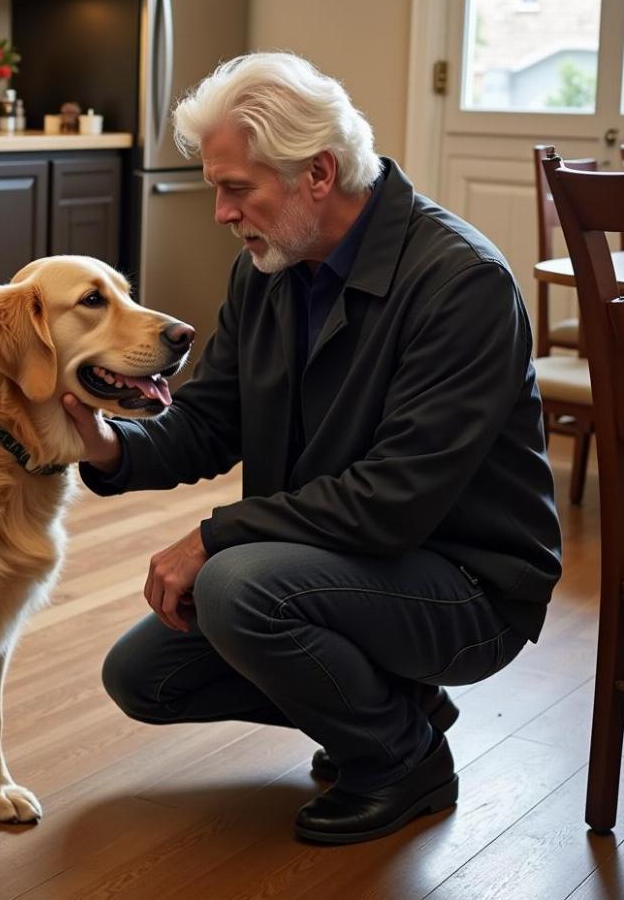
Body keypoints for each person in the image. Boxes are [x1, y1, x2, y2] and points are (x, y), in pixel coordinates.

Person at [62, 52, 562, 844]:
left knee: (236, 585)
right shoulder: (267, 270)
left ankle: (402, 761)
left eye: (237, 188)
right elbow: (209, 421)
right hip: (343, 563)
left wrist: (214, 536)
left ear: (319, 173)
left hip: (468, 585)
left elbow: (392, 504)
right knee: (144, 678)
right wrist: (109, 446)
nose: (222, 212)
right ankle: (399, 709)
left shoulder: (459, 282)